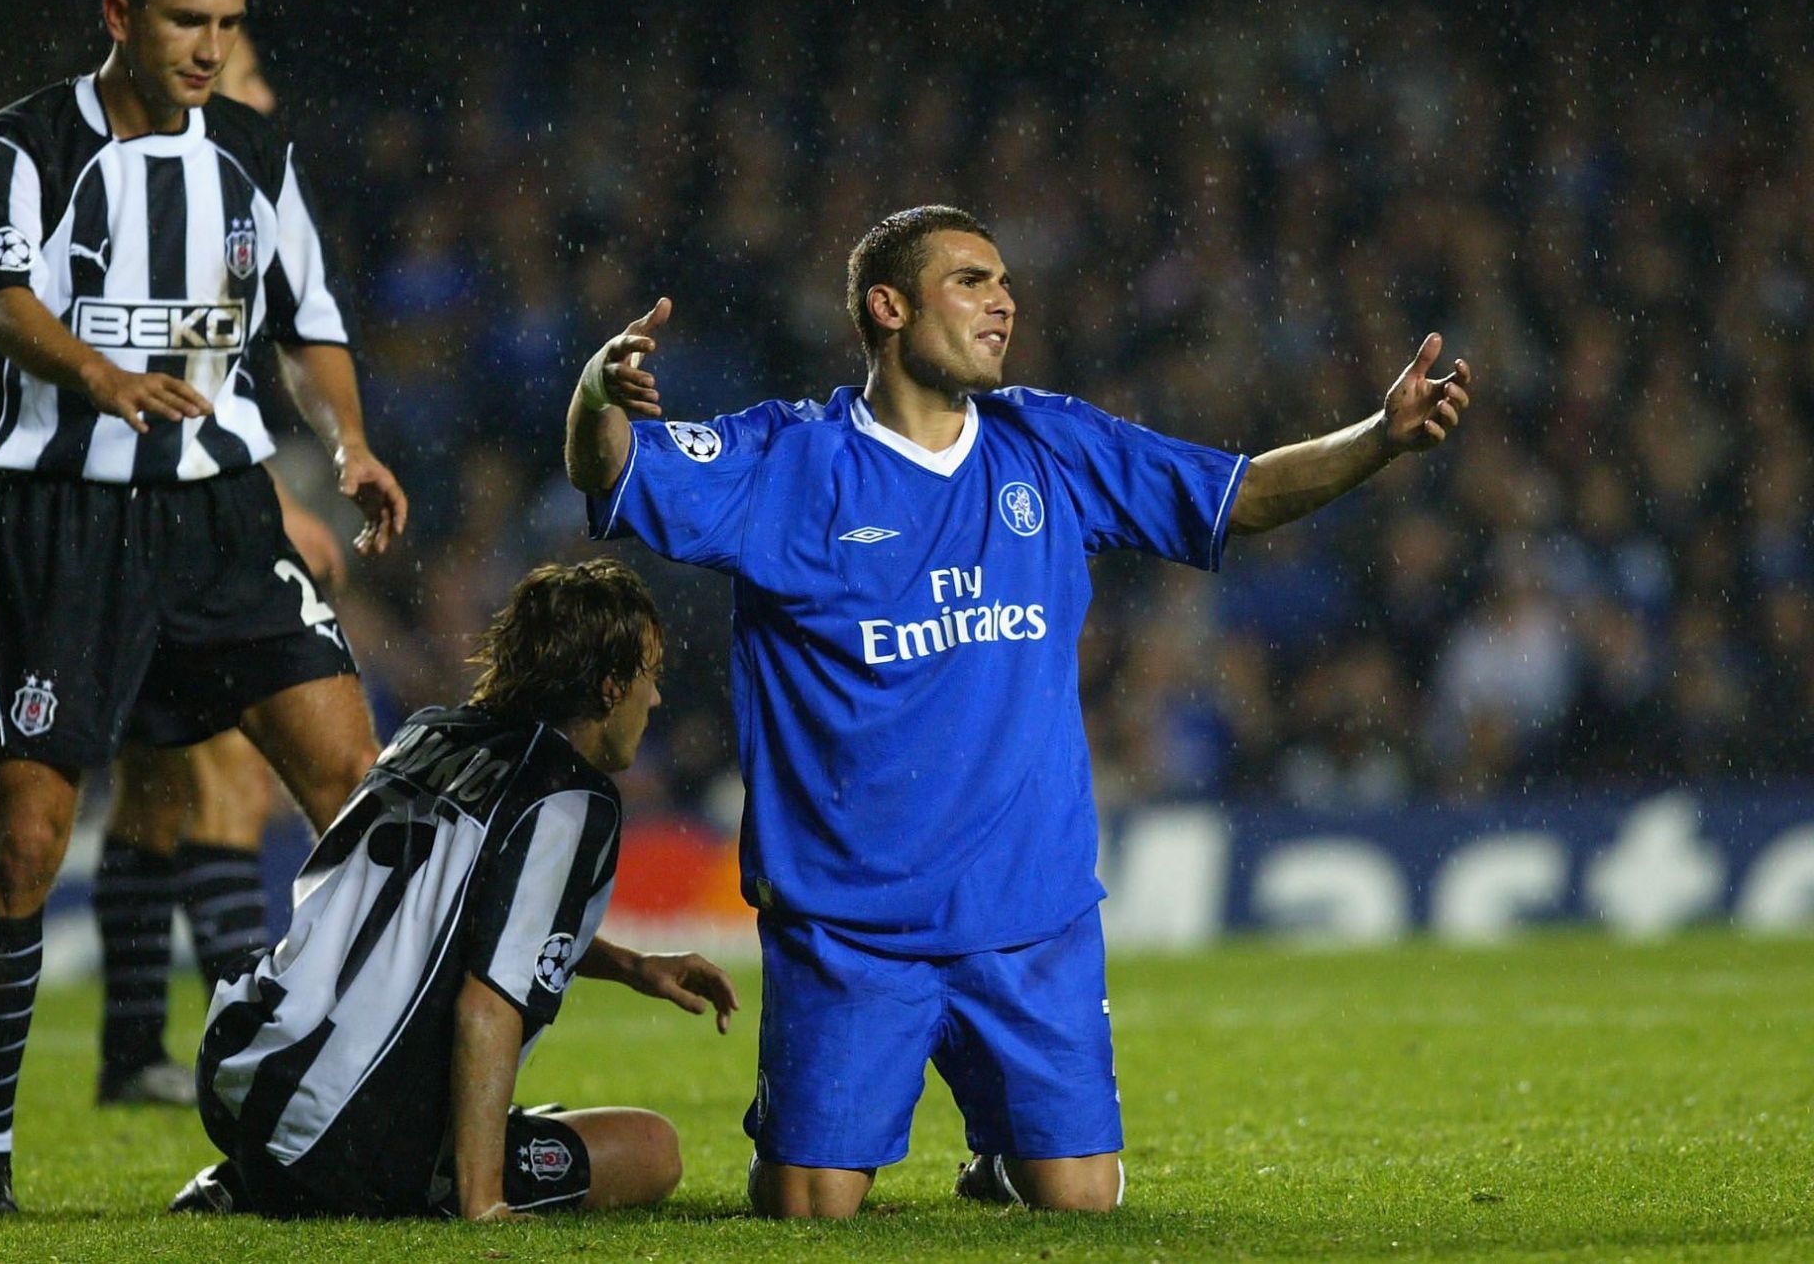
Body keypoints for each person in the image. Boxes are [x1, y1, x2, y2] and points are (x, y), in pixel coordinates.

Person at [565, 204, 1472, 1218]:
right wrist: (597, 389)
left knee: (1080, 1201)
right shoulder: (790, 462)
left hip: (1027, 915)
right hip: (850, 924)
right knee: (808, 1210)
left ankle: (1003, 1164)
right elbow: (613, 467)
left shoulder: (1051, 444)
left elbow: (1237, 493)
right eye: (973, 280)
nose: (1004, 301)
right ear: (889, 306)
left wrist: (1379, 439)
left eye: (1006, 284)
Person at [0, 0, 407, 1216]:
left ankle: (339, 1112)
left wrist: (352, 441)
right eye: (186, 21)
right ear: (118, 16)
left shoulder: (257, 150)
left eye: (228, 22)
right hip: (57, 526)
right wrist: (101, 372)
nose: (209, 47)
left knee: (358, 791)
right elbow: (1, 297)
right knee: (26, 844)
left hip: (218, 519)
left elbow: (308, 320)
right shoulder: (21, 146)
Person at [174, 558, 739, 1220]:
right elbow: (486, 1005)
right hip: (351, 1133)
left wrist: (632, 964)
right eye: (650, 676)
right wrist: (483, 1200)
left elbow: (457, 909)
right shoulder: (567, 798)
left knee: (497, 1110)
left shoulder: (427, 733)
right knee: (651, 1147)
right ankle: (367, 1177)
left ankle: (252, 1176)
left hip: (243, 1071)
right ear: (610, 687)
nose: (657, 699)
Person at [92, 26, 325, 1109]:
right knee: (227, 778)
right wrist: (274, 502)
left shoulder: (210, 186)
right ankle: (241, 1045)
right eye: (245, 69)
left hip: (130, 520)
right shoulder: (188, 181)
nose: (262, 84)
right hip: (171, 520)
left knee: (150, 786)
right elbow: (176, 365)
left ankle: (134, 1046)